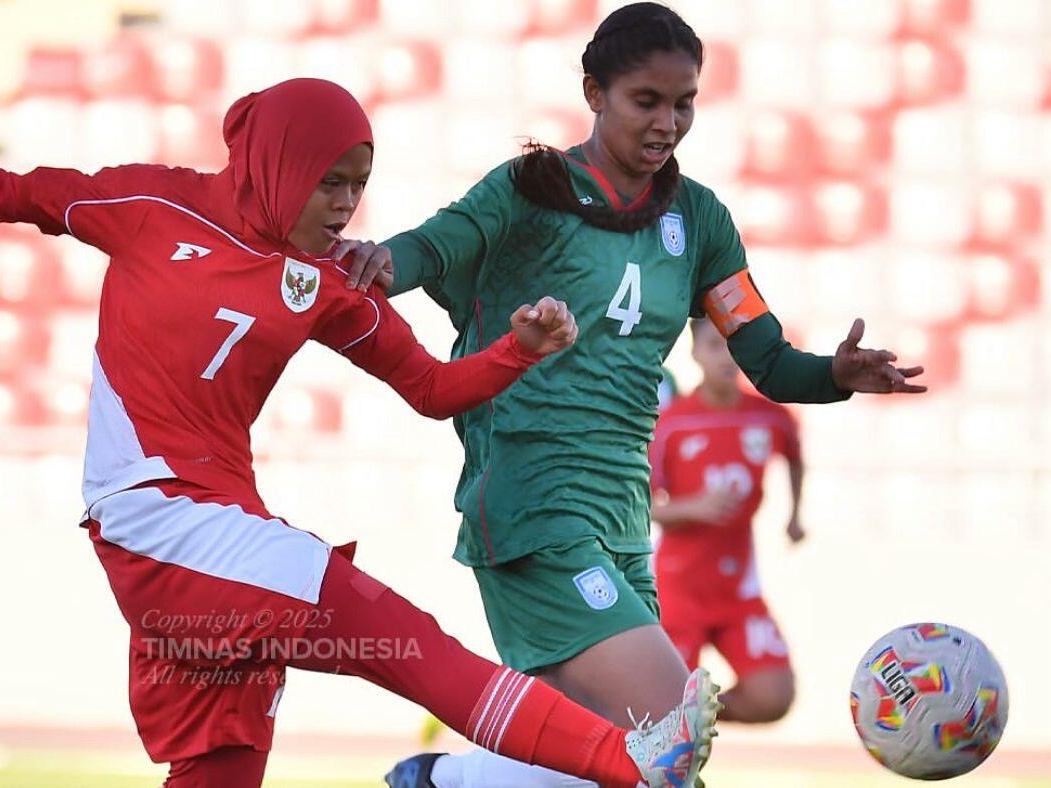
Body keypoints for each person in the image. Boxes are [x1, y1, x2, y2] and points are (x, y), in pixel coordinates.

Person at [0, 79, 722, 788]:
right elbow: (4, 192)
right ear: (278, 163)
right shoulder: (147, 205)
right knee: (405, 641)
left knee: (223, 766)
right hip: (159, 520)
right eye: (332, 181)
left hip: (207, 550)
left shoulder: (319, 281)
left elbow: (432, 389)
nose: (349, 203)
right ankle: (627, 758)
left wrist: (517, 350)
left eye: (360, 182)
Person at [331, 4, 924, 786]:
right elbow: (431, 247)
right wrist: (376, 262)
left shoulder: (699, 219)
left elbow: (768, 360)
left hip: (621, 521)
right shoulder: (528, 191)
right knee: (671, 737)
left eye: (686, 104)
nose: (669, 122)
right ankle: (446, 780)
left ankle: (448, 780)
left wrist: (835, 375)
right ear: (594, 92)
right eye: (648, 100)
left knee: (611, 764)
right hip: (532, 508)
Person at [651, 318, 805, 724]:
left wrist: (795, 516)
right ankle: (673, 727)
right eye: (715, 346)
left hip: (738, 589)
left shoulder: (770, 418)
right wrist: (692, 507)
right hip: (678, 590)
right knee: (657, 702)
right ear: (696, 353)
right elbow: (641, 506)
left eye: (734, 347)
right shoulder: (673, 425)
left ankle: (697, 720)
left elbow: (793, 452)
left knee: (773, 697)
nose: (727, 357)